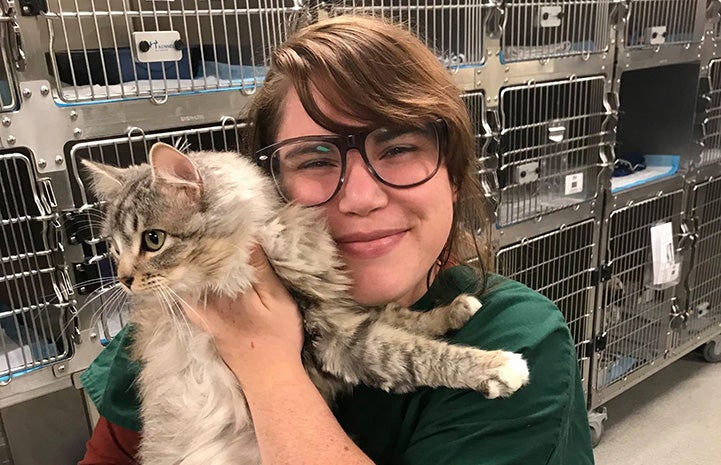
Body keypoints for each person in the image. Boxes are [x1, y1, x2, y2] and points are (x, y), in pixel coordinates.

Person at [78, 15, 595, 465]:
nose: (361, 198)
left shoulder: (518, 335)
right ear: (274, 185)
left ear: (454, 175)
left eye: (398, 149)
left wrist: (265, 363)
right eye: (317, 159)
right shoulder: (184, 298)